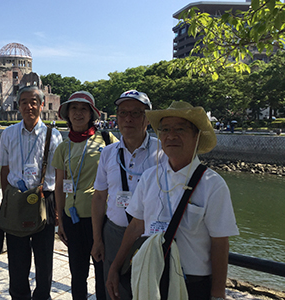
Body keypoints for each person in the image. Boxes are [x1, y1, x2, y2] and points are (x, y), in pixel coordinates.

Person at [106, 101, 239, 300]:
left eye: (180, 129)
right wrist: (114, 268)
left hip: (192, 283)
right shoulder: (150, 177)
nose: (171, 135)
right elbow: (135, 226)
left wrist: (218, 293)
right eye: (165, 129)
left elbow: (220, 242)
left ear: (197, 136)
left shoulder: (212, 184)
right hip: (150, 275)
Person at [90, 90, 165, 299]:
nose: (128, 119)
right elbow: (98, 197)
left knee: (148, 290)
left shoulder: (163, 152)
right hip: (114, 232)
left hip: (149, 235)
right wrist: (97, 239)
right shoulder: (108, 153)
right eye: (123, 113)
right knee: (114, 290)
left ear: (147, 119)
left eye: (136, 113)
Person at [0, 85, 62, 300]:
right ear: (18, 106)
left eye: (34, 101)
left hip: (45, 197)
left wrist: (58, 210)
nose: (29, 106)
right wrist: (7, 200)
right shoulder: (8, 134)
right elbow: (4, 169)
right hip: (16, 197)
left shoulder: (54, 136)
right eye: (24, 102)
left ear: (42, 105)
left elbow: (59, 174)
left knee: (44, 256)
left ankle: (43, 295)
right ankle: (19, 295)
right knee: (17, 256)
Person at [52, 91, 118, 300]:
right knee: (77, 272)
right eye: (74, 109)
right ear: (67, 114)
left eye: (84, 109)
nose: (78, 113)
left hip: (102, 218)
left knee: (102, 272)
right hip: (73, 218)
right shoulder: (63, 147)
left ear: (92, 114)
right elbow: (60, 186)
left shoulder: (107, 140)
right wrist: (60, 221)